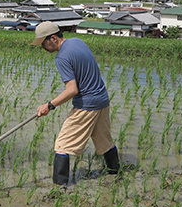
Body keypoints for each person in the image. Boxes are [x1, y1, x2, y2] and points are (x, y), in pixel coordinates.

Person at [32, 21, 121, 185]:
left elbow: (72, 89)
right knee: (104, 140)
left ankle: (60, 186)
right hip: (102, 99)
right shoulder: (77, 41)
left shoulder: (62, 57)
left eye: (43, 43)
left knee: (63, 145)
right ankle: (116, 173)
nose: (42, 47)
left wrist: (49, 105)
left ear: (53, 38)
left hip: (87, 105)